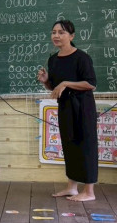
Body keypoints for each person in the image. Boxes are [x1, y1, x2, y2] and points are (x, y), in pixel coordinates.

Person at [36, 19, 99, 202]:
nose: (56, 36)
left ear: (71, 36)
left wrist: (66, 83)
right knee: (69, 145)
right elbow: (55, 87)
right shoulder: (53, 59)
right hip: (65, 107)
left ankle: (89, 192)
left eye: (61, 32)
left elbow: (91, 84)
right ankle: (72, 187)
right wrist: (46, 81)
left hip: (83, 107)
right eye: (54, 32)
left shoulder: (82, 57)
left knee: (86, 146)